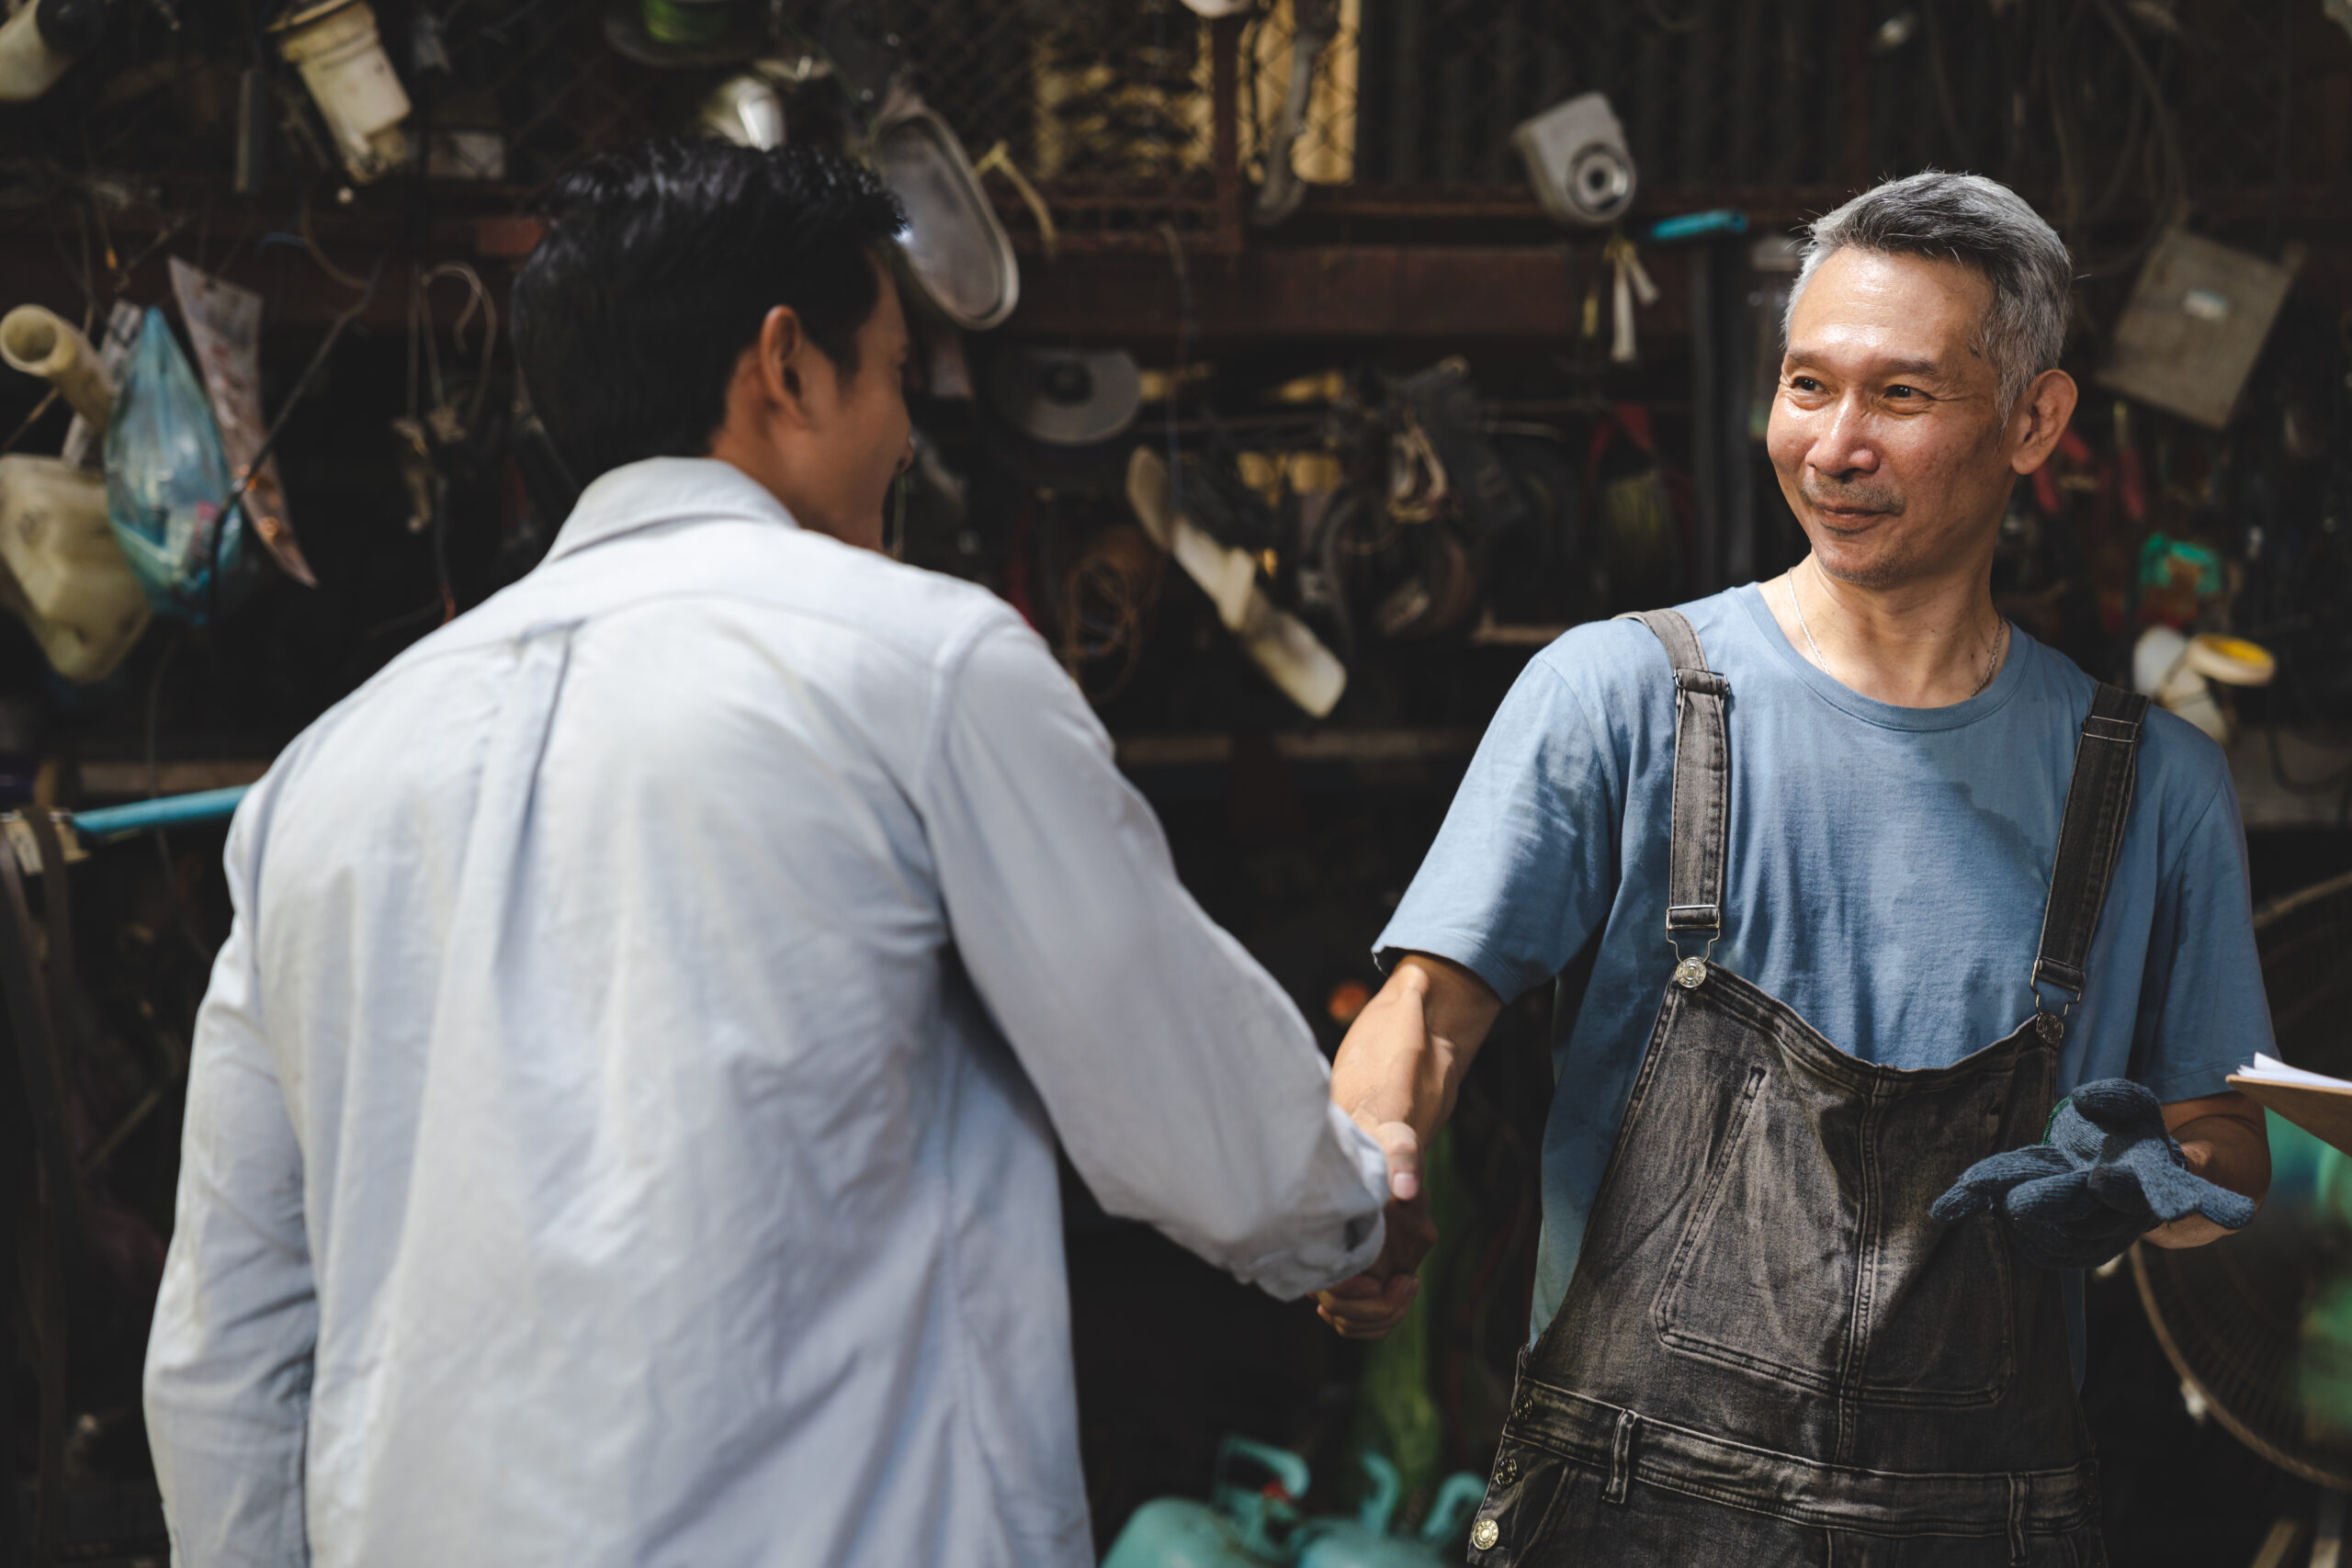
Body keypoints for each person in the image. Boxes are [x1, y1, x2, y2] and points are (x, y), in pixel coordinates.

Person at [142, 139, 1413, 1568]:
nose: (908, 438)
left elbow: (228, 1348)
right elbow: (1203, 1119)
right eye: (889, 376)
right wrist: (1352, 1221)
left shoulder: (319, 781)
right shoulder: (916, 667)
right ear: (786, 367)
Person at [1316, 172, 2273, 1564]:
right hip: (1625, 1505)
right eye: (1807, 385)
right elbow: (1426, 1012)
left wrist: (2160, 1185)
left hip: (1981, 1523)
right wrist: (1370, 1178)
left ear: (2035, 423)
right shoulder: (1622, 696)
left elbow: (2226, 1142)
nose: (1833, 446)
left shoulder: (2153, 786)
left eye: (1900, 397)